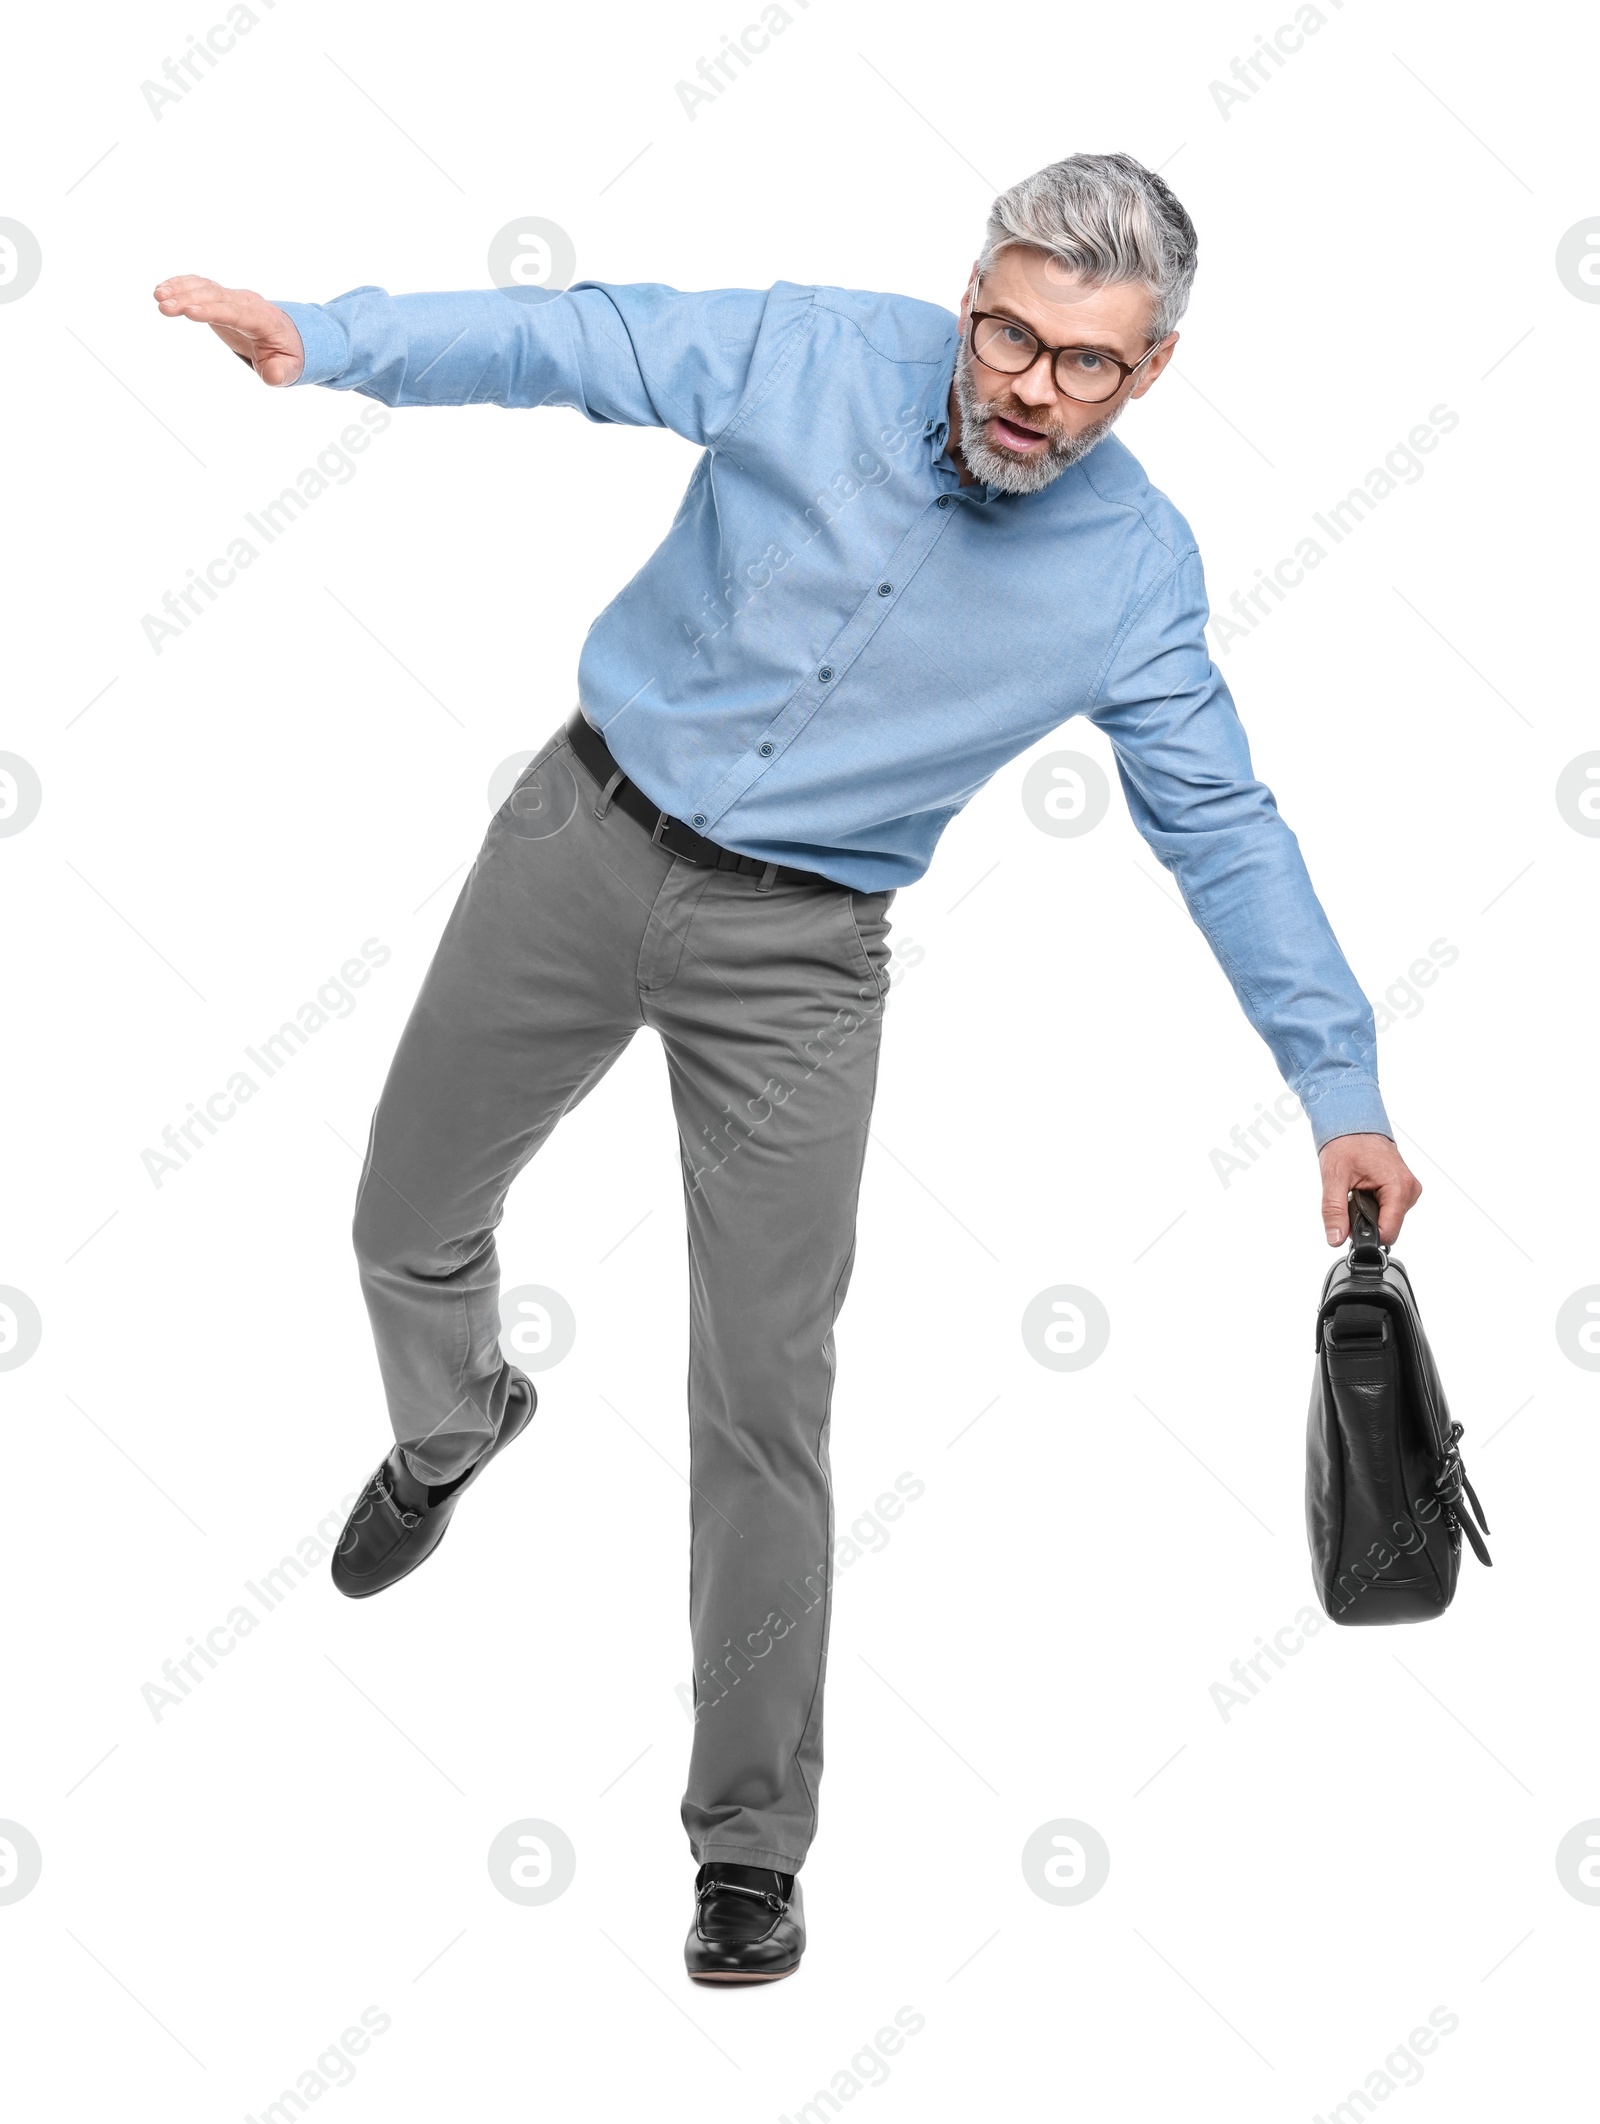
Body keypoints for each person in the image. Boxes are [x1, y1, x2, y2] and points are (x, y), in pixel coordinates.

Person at [153, 151, 1421, 1985]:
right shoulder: (816, 352)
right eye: (1004, 329)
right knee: (401, 1222)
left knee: (765, 1403)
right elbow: (573, 341)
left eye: (1082, 361)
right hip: (576, 844)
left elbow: (1223, 826)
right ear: (967, 296)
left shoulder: (1137, 575)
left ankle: (747, 1844)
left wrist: (1343, 1085)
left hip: (803, 959)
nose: (1022, 384)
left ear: (1150, 376)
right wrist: (333, 337)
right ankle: (454, 1424)